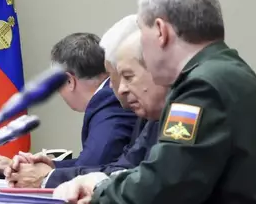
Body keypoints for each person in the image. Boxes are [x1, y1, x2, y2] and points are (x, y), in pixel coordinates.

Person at [54, 0, 256, 204]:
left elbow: (164, 186)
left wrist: (100, 192)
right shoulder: (224, 70)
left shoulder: (201, 87)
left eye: (141, 31)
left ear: (161, 31)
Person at [0, 33, 138, 187]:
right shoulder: (106, 99)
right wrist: (31, 168)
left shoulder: (110, 101)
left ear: (69, 81)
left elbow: (91, 170)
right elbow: (91, 165)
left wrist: (43, 175)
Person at [45, 27, 167, 188]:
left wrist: (48, 175)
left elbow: (97, 163)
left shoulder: (109, 100)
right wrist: (52, 168)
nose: (119, 87)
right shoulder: (151, 113)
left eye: (127, 76)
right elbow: (125, 166)